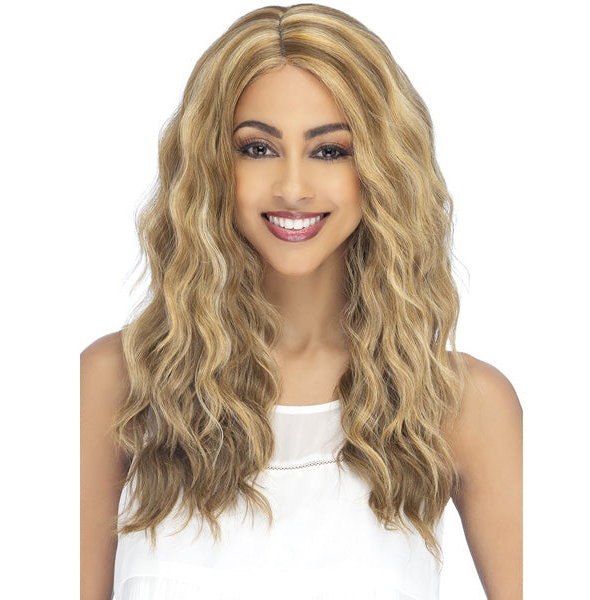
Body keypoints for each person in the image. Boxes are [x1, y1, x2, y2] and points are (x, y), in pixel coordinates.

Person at [80, 4, 522, 599]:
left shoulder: (463, 405)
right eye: (258, 148)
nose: (292, 187)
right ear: (212, 165)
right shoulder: (115, 385)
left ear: (382, 167)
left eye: (330, 150)